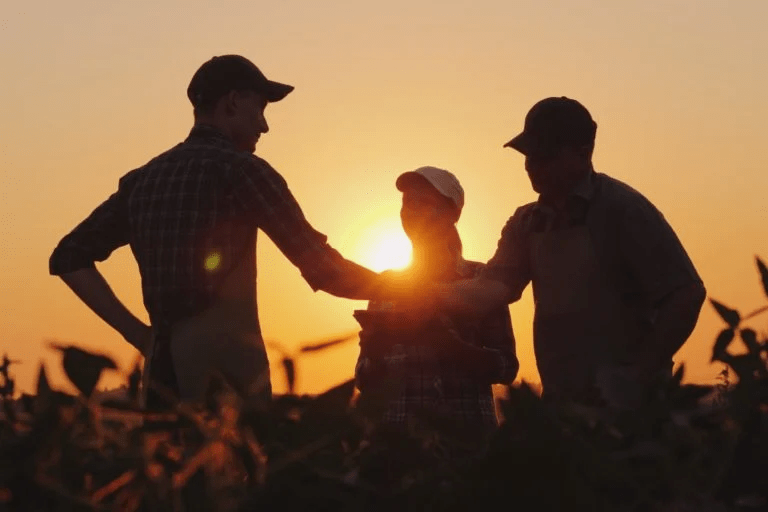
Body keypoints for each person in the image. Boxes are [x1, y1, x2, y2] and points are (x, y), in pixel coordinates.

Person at [49, 55, 382, 408]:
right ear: (234, 101)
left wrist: (138, 336)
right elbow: (323, 269)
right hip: (229, 383)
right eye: (261, 107)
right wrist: (408, 289)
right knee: (235, 462)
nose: (265, 125)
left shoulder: (143, 180)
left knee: (168, 464)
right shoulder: (242, 172)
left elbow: (69, 257)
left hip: (161, 379)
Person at [430, 97, 706, 409]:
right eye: (529, 155)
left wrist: (637, 374)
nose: (533, 165)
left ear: (584, 152)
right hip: (563, 411)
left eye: (545, 154)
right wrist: (417, 293)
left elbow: (686, 293)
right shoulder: (527, 223)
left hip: (634, 414)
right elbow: (491, 289)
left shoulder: (623, 209)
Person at [354, 166, 518, 439]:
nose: (412, 210)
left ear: (452, 213)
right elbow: (364, 380)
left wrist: (450, 346)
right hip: (398, 448)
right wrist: (374, 350)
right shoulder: (385, 286)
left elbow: (506, 367)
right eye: (407, 202)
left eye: (425, 202)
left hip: (467, 444)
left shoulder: (481, 280)